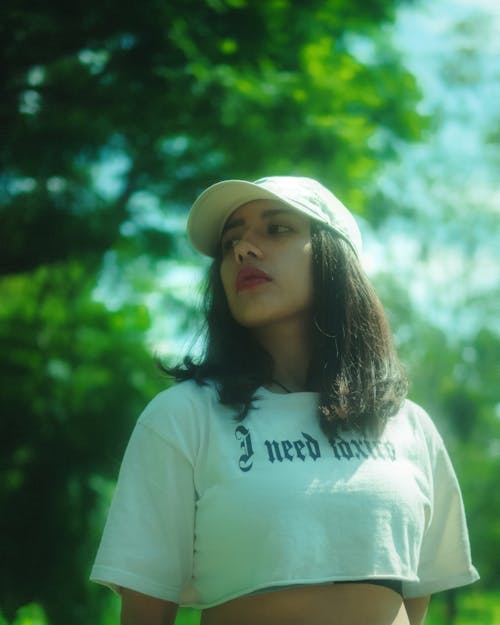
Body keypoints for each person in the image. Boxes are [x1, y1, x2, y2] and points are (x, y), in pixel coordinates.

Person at [91, 176, 479, 625]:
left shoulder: (408, 425)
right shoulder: (183, 418)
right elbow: (145, 613)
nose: (243, 250)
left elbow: (416, 599)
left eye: (277, 229)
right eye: (231, 241)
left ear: (335, 259)